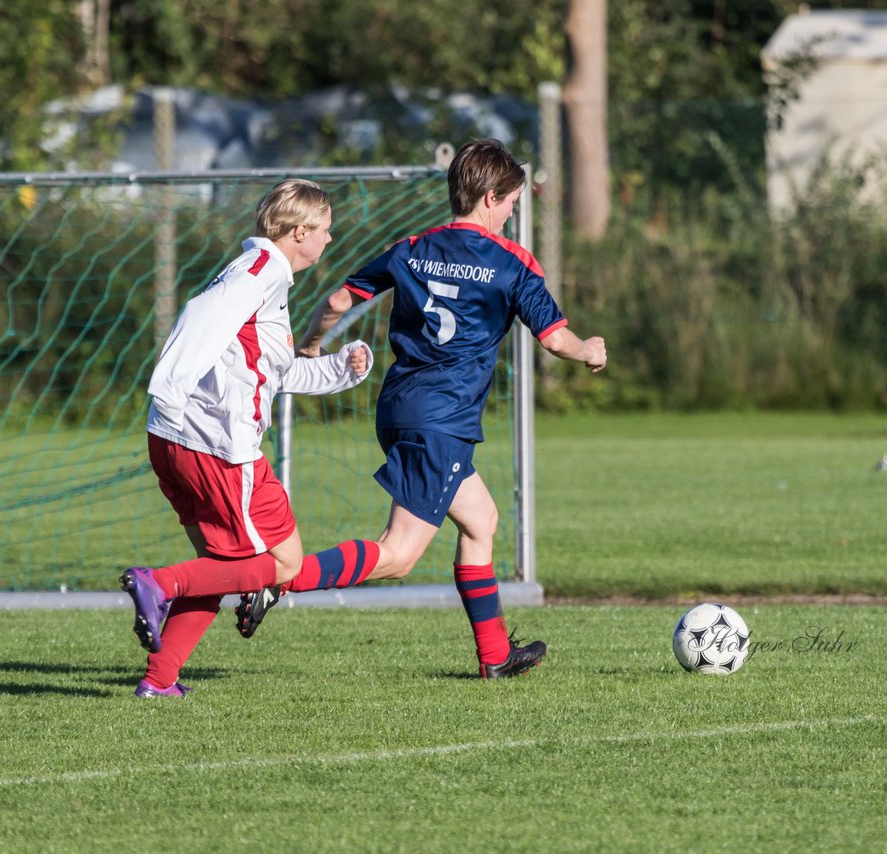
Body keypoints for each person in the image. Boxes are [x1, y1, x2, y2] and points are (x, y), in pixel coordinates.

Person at [233, 138, 607, 679]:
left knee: (481, 522)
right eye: (510, 202)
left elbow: (340, 300)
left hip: (399, 407)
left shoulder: (413, 246)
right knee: (400, 554)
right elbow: (554, 339)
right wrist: (589, 350)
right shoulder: (512, 263)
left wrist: (311, 346)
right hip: (444, 419)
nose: (512, 211)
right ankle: (279, 578)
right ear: (488, 197)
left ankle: (496, 657)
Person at [120, 178, 375, 698]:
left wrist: (339, 371)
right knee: (286, 563)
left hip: (176, 440)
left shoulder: (262, 275)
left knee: (220, 568)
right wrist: (169, 389)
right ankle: (159, 584)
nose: (330, 239)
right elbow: (197, 317)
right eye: (325, 230)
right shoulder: (260, 272)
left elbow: (266, 373)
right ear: (299, 231)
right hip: (217, 447)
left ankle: (159, 680)